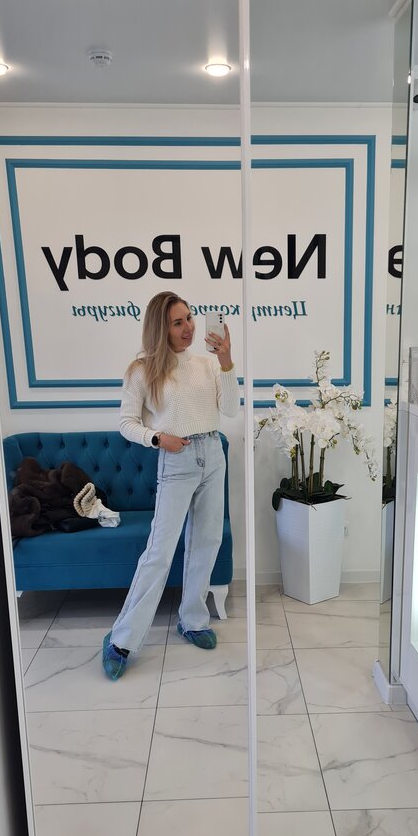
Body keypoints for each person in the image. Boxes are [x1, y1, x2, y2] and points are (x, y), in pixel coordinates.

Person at [102, 290, 239, 681]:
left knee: (206, 541)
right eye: (178, 322)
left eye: (190, 318)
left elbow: (230, 410)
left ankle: (192, 620)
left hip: (212, 453)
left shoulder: (208, 364)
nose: (188, 328)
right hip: (176, 459)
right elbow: (127, 422)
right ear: (160, 329)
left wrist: (226, 361)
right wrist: (158, 438)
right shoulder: (142, 370)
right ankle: (121, 640)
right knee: (159, 553)